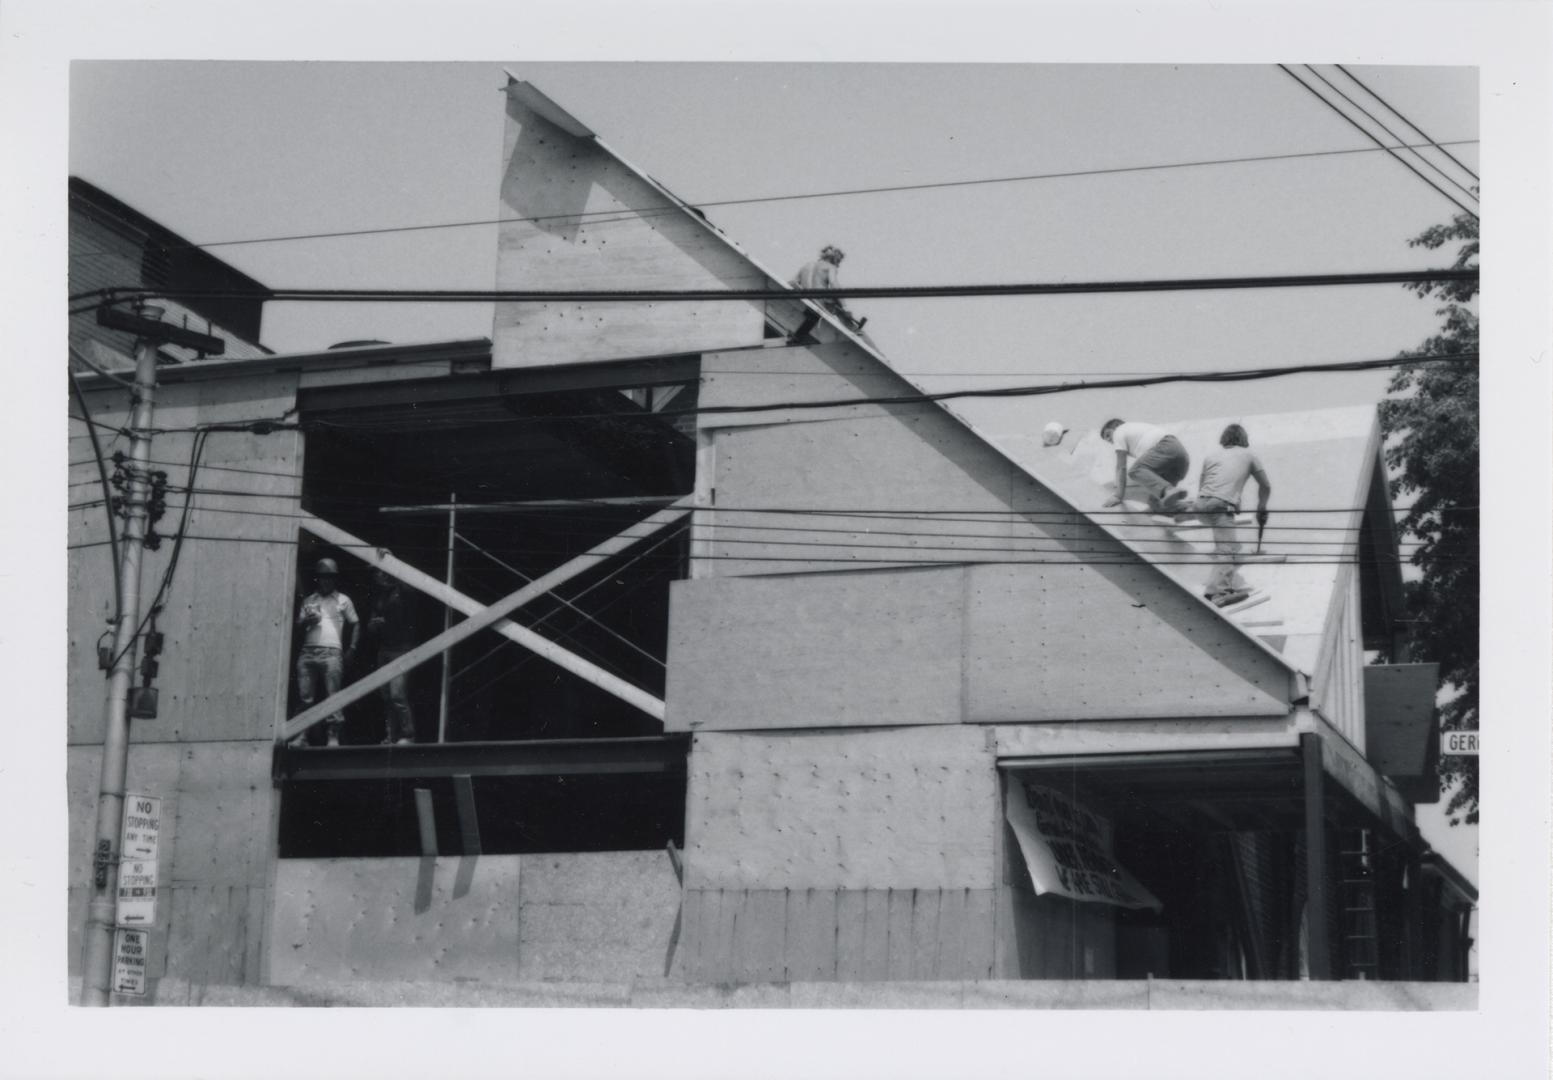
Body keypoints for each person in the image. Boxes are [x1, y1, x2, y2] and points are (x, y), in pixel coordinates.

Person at [1180, 423, 1272, 607]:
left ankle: (1212, 590)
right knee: (1227, 550)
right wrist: (1261, 506)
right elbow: (1266, 485)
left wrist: (1232, 502)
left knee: (1231, 547)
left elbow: (1205, 485)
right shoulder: (1249, 455)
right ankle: (1220, 593)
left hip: (1201, 505)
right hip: (1219, 505)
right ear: (1243, 438)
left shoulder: (1212, 456)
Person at [295, 557, 358, 747]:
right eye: (323, 577)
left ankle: (333, 736)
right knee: (305, 697)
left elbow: (356, 623)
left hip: (332, 652)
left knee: (333, 696)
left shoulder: (343, 600)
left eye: (330, 577)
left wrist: (352, 648)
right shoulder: (309, 600)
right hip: (308, 652)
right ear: (318, 578)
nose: (326, 580)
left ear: (335, 579)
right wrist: (306, 621)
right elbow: (298, 625)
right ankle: (302, 736)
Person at [1099, 418, 1191, 514]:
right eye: (1106, 440)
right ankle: (1188, 508)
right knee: (1156, 502)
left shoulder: (1119, 431)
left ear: (1116, 426)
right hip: (1181, 458)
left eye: (1108, 435)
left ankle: (1168, 489)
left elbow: (1121, 467)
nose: (1109, 440)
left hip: (1166, 446)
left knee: (1135, 471)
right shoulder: (1138, 431)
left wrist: (1118, 496)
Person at [367, 567, 417, 745]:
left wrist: (392, 562)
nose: (377, 575)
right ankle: (391, 735)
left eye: (379, 572)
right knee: (386, 696)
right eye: (375, 573)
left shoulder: (401, 591)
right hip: (384, 649)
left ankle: (408, 734)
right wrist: (374, 624)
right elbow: (370, 626)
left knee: (397, 694)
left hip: (401, 649)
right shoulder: (379, 597)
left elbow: (410, 588)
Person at [788, 245, 862, 343]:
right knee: (837, 304)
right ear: (835, 260)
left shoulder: (807, 265)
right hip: (820, 304)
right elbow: (835, 286)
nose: (838, 265)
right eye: (838, 262)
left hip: (806, 302)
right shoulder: (830, 267)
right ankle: (854, 330)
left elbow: (793, 282)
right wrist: (845, 307)